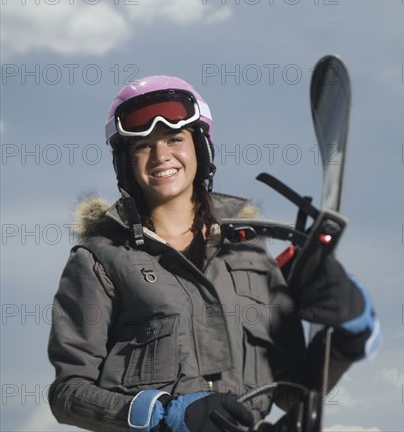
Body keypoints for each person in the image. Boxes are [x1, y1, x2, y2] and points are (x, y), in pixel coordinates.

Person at [48, 75, 380, 432]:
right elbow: (68, 393)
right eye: (143, 146)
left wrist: (348, 333)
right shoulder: (99, 257)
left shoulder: (248, 253)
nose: (162, 156)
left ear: (200, 148)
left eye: (176, 139)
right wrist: (164, 414)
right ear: (125, 162)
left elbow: (292, 389)